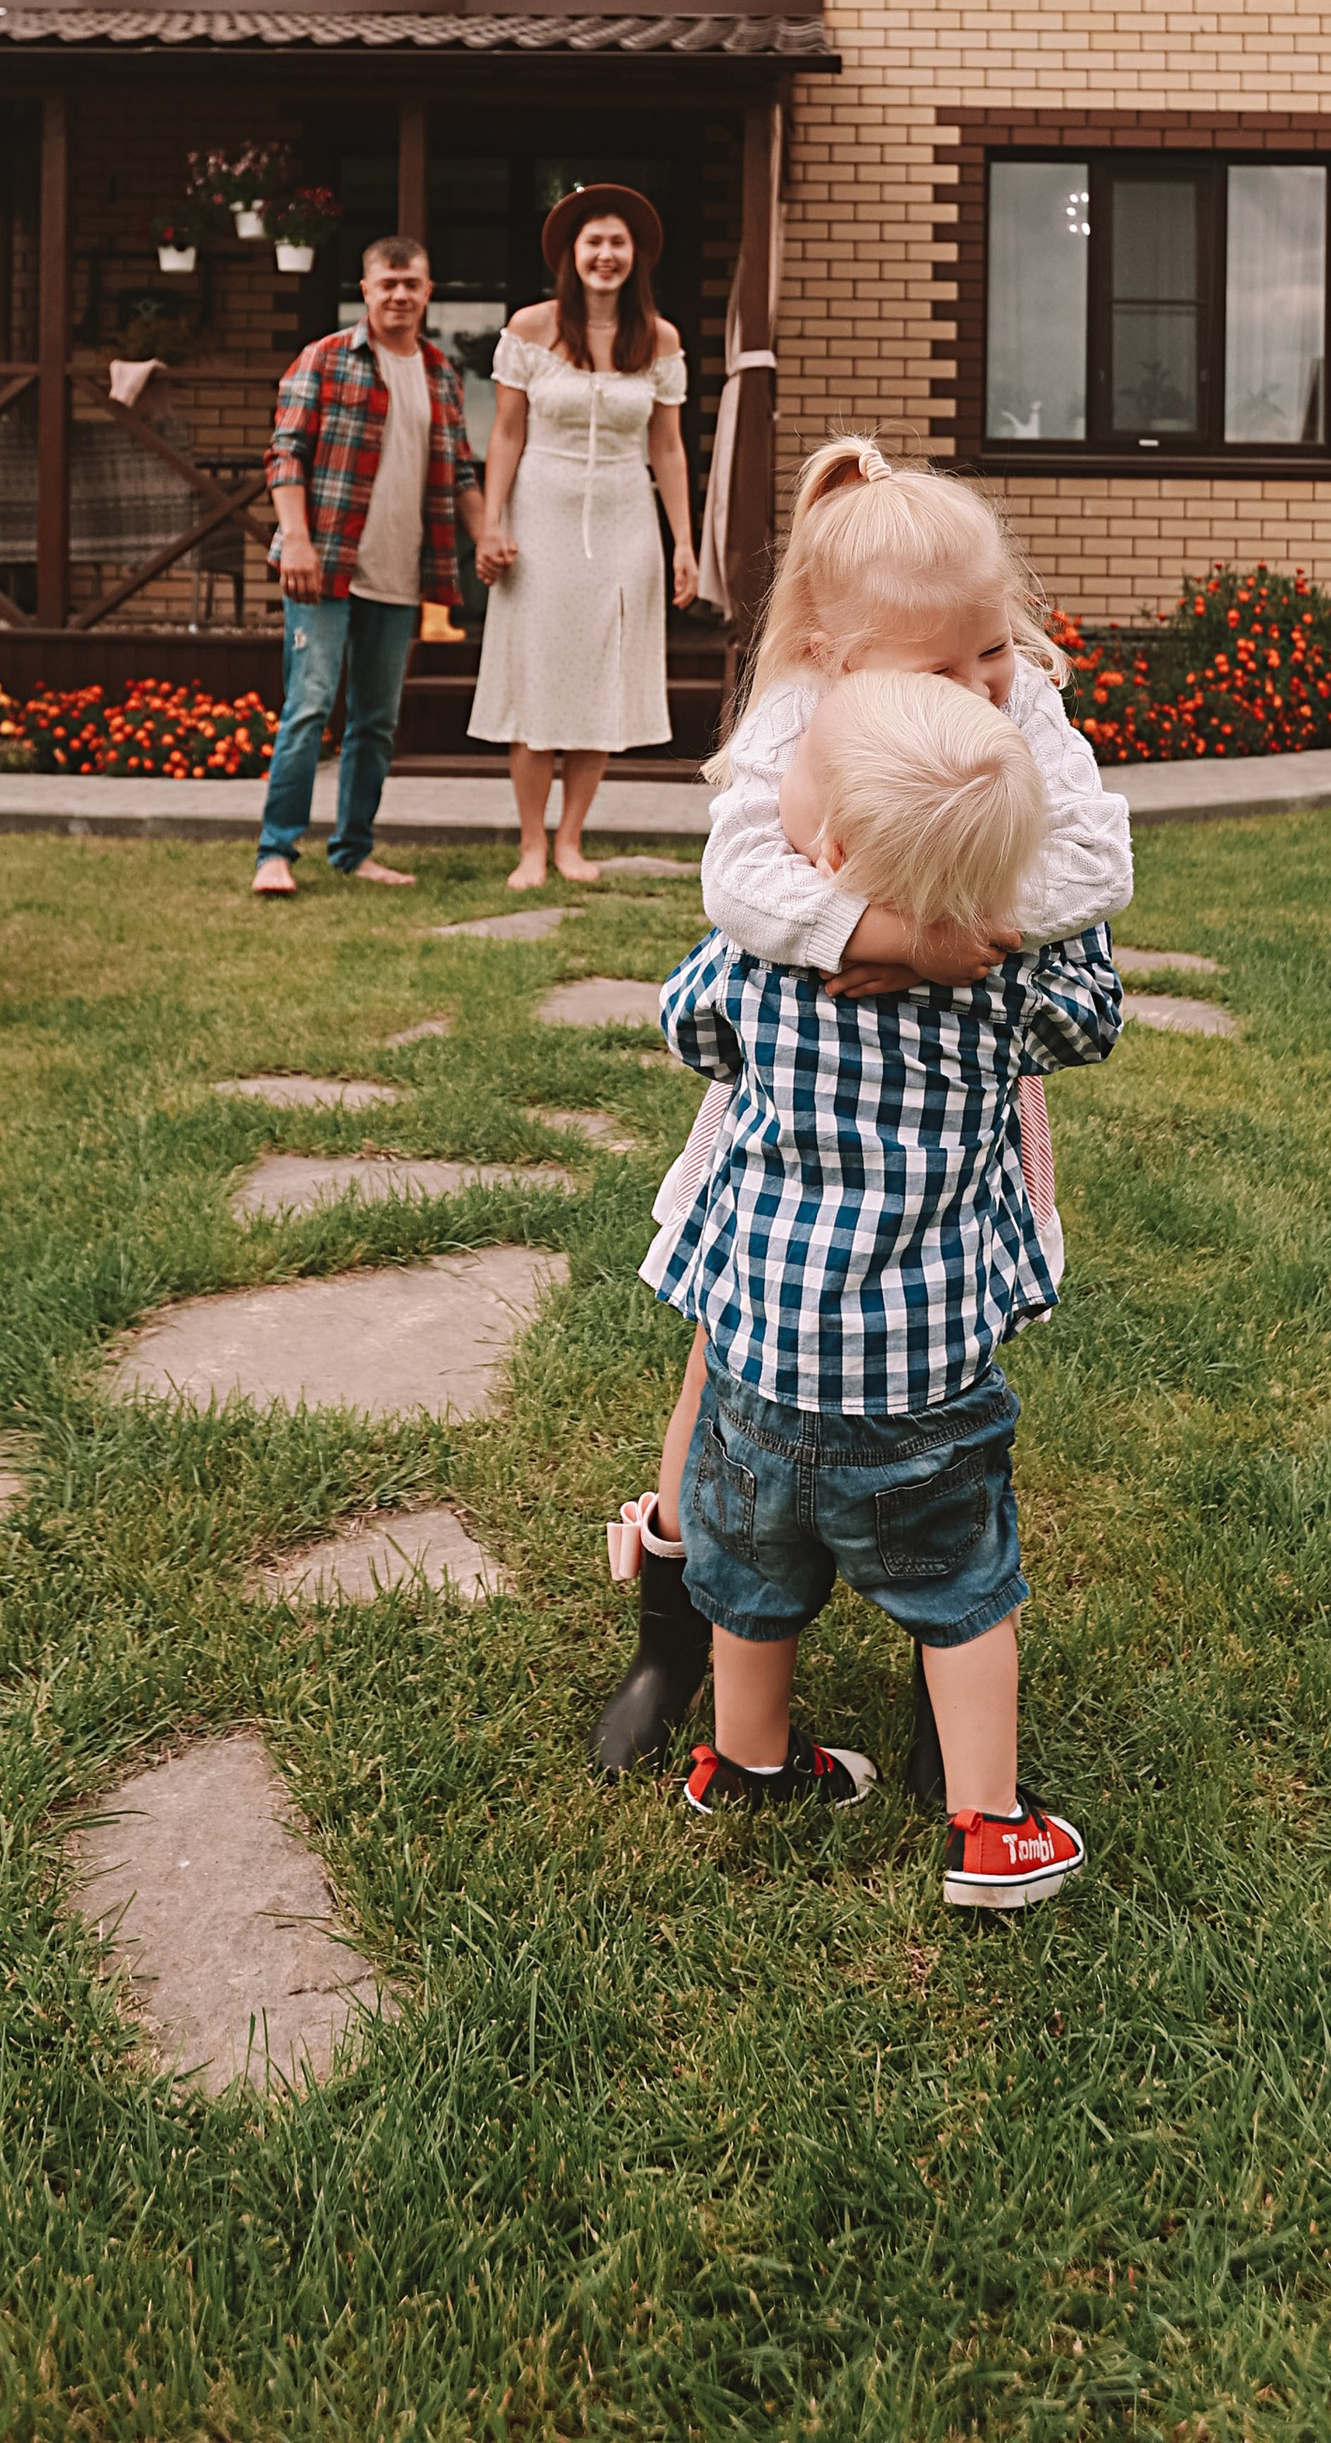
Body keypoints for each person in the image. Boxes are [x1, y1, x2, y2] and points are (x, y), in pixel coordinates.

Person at [590, 434, 1131, 1784]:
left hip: (944, 1101)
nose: (982, 687)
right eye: (944, 670)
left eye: (992, 651)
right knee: (724, 1356)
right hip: (782, 1116)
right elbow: (739, 884)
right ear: (839, 653)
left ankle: (937, 1654)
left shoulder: (1018, 698)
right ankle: (675, 1628)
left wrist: (958, 925)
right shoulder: (798, 709)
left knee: (931, 1364)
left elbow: (1093, 862)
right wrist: (881, 933)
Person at [649, 664, 1123, 1911]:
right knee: (964, 1598)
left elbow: (688, 1028)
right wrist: (1026, 918)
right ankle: (989, 1826)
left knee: (750, 1584)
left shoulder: (755, 964)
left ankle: (746, 1765)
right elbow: (1090, 1022)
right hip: (922, 1395)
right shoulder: (1000, 989)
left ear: (827, 850)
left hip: (757, 1372)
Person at [470, 183, 696, 891]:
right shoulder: (530, 327)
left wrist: (684, 543)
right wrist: (493, 522)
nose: (605, 254)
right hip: (541, 516)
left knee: (602, 683)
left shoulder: (659, 338)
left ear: (636, 255)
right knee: (537, 679)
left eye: (617, 243)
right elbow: (506, 432)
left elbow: (668, 448)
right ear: (571, 252)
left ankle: (571, 839)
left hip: (627, 520)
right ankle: (531, 845)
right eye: (593, 241)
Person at [251, 233, 488, 896]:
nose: (400, 295)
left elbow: (459, 474)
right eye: (388, 283)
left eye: (412, 284)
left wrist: (488, 538)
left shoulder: (440, 374)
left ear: (428, 291)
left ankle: (354, 850)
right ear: (366, 290)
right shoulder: (325, 358)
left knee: (376, 722)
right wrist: (296, 539)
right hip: (323, 567)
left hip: (400, 576)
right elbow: (285, 455)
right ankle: (275, 853)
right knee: (308, 707)